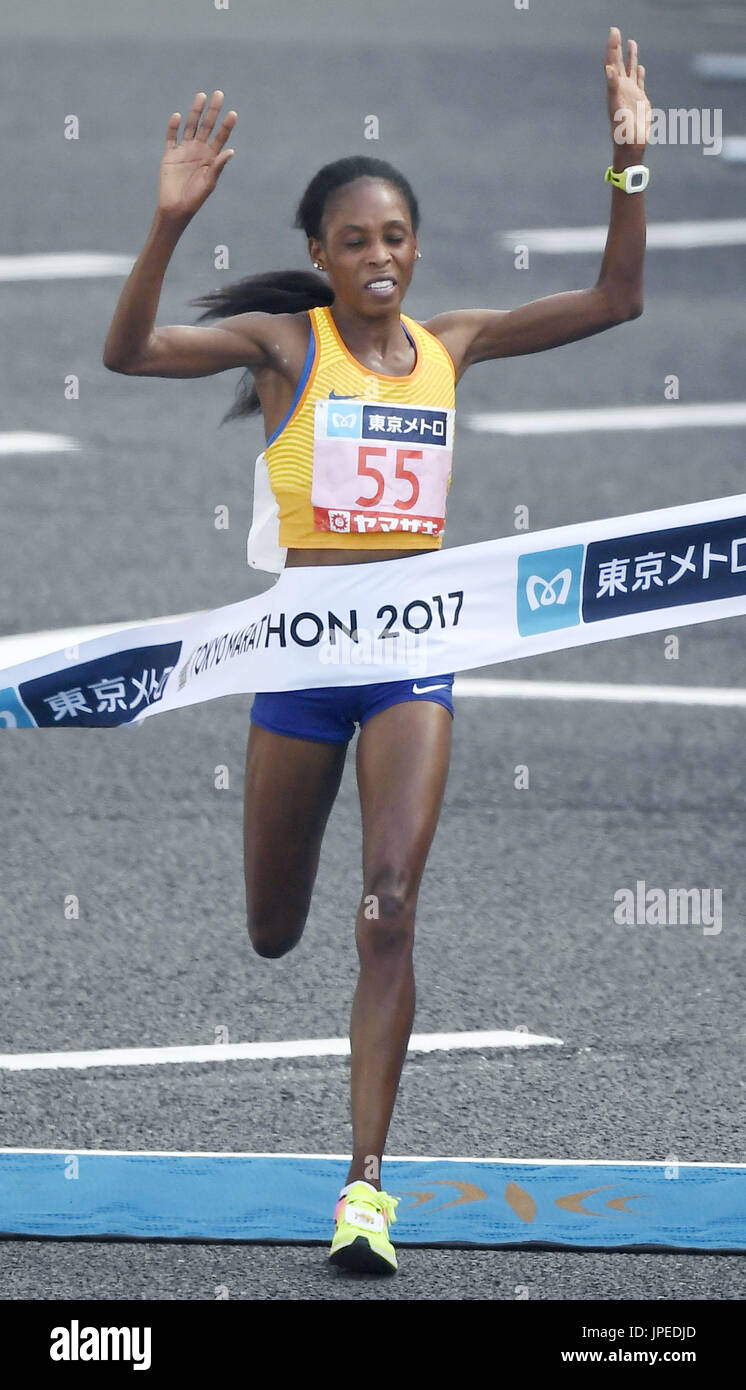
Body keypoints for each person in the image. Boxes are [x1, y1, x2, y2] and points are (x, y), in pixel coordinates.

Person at [102, 25, 649, 1275]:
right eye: (354, 240)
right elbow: (125, 354)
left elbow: (617, 300)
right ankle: (297, 971)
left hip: (415, 652)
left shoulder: (454, 347)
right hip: (298, 658)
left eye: (395, 236)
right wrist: (170, 222)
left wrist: (628, 163)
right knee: (275, 929)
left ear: (415, 247)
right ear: (317, 258)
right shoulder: (291, 347)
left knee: (388, 909)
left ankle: (363, 1191)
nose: (380, 257)